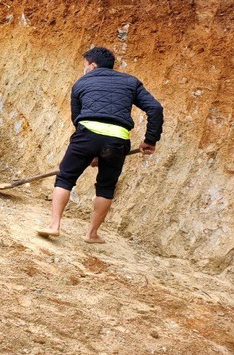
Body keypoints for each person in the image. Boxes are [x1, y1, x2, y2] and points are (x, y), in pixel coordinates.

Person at [38, 47, 163, 243]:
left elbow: (76, 119)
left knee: (65, 178)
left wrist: (89, 151)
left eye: (84, 66)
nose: (84, 69)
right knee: (106, 187)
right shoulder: (131, 82)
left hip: (86, 135)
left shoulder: (81, 83)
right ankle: (91, 234)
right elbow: (155, 108)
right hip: (117, 140)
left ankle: (54, 226)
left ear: (92, 66)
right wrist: (150, 140)